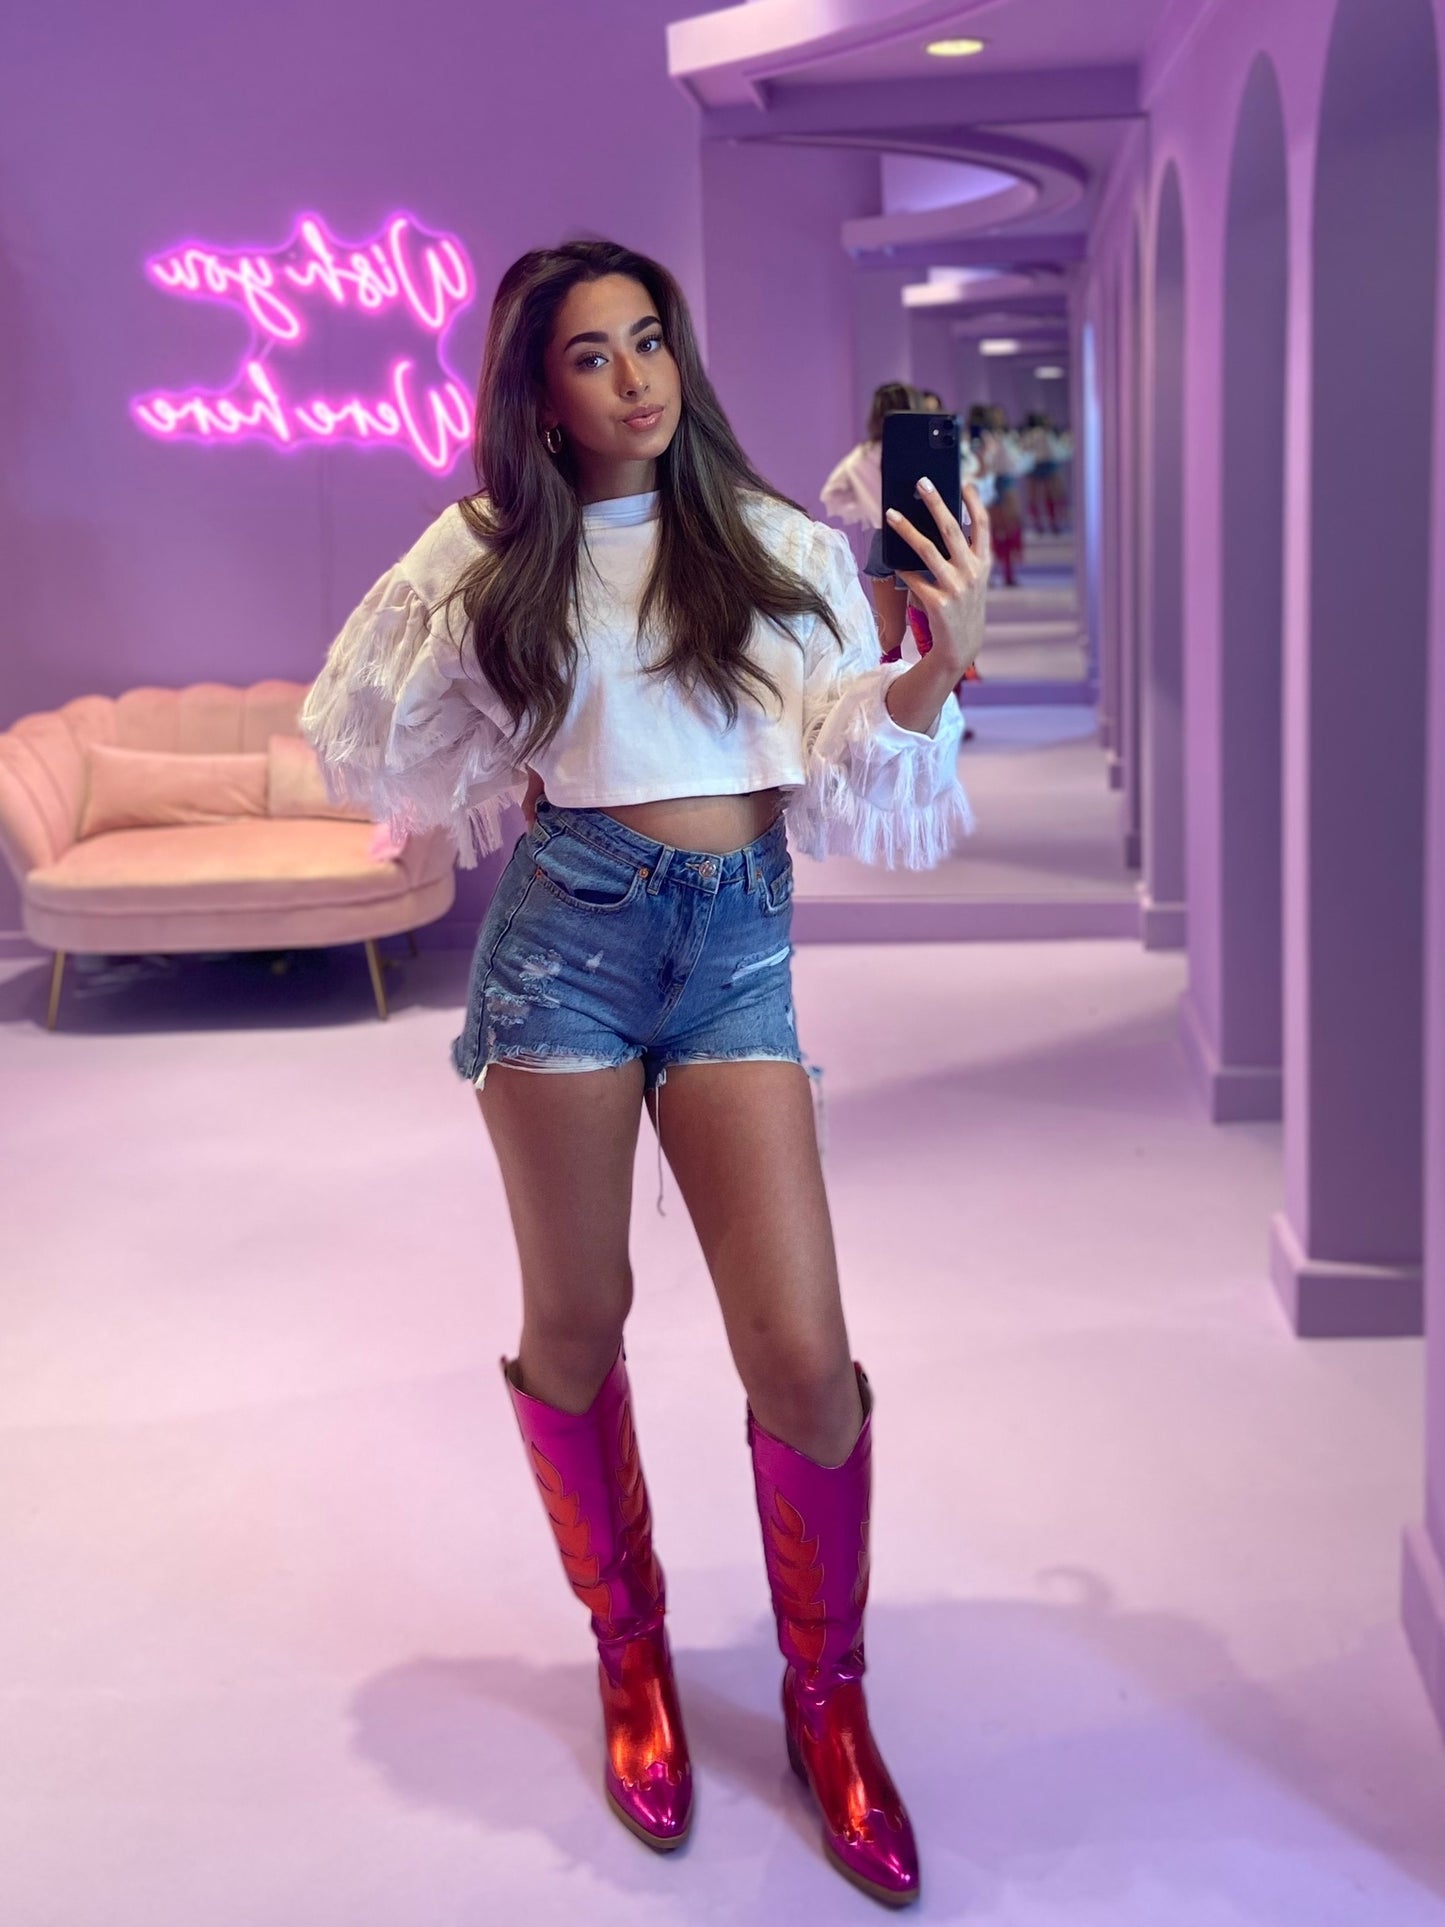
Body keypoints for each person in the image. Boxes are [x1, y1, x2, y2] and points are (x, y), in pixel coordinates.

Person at [301, 240, 990, 1909]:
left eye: (651, 339)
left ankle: (830, 1700)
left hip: (737, 944)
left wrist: (937, 657)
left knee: (803, 1355)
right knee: (578, 1317)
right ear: (539, 394)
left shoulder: (770, 540)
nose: (636, 378)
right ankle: (632, 1653)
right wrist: (497, 656)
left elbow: (846, 742)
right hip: (568, 946)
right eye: (593, 354)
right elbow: (374, 733)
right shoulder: (490, 551)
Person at [819, 380, 917, 661]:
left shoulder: (864, 454)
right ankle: (941, 685)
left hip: (884, 536)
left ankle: (889, 685)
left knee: (890, 633)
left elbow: (832, 494)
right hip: (919, 536)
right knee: (928, 625)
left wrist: (868, 512)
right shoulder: (919, 450)